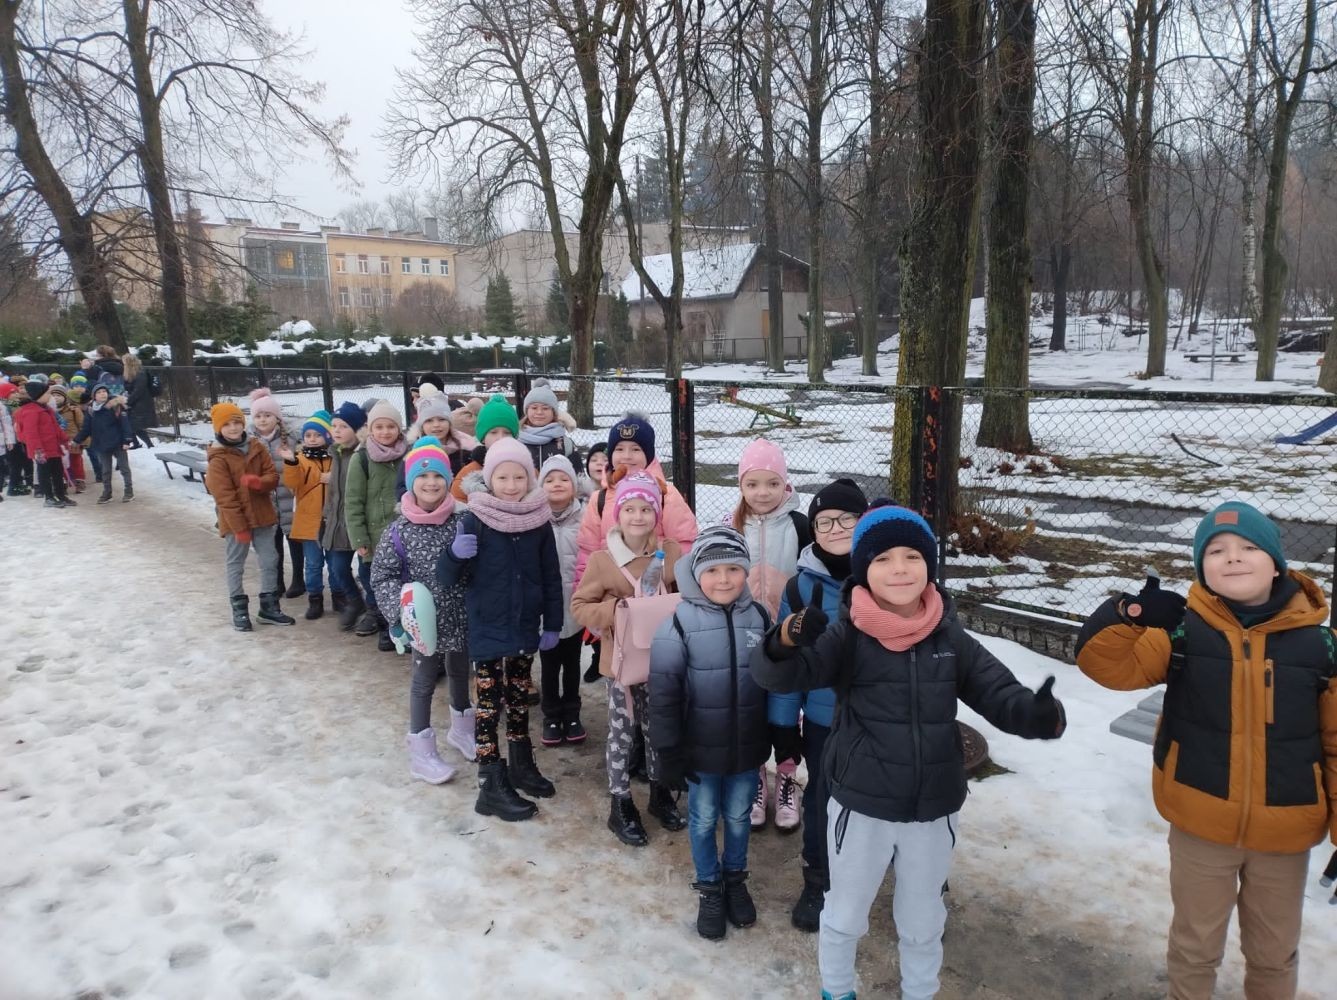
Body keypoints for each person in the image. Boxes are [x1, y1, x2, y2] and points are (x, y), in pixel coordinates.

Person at [751, 502, 1067, 1000]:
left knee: (923, 918)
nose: (899, 569)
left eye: (911, 557)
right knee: (846, 912)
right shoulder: (847, 635)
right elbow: (780, 675)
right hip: (862, 804)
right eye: (882, 560)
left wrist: (1036, 714)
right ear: (863, 571)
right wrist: (784, 640)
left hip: (932, 807)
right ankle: (837, 990)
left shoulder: (949, 636)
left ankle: (920, 992)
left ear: (929, 567)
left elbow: (997, 692)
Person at [1075, 501, 1337, 1000]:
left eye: (1248, 548)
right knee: (1195, 946)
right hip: (1200, 823)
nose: (1232, 558)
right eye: (1216, 550)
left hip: (1285, 830)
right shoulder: (1182, 631)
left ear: (1277, 563)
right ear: (1202, 568)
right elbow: (1106, 667)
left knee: (1274, 952)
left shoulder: (1320, 645)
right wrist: (1127, 614)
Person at [650, 525, 775, 940]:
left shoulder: (759, 617)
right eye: (714, 569)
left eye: (734, 569)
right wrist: (667, 751)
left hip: (746, 747)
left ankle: (735, 879)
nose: (724, 579)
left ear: (746, 572)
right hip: (698, 751)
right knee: (703, 820)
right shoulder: (678, 624)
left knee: (739, 817)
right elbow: (664, 694)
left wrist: (778, 730)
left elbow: (774, 679)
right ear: (696, 573)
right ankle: (709, 887)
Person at [437, 436, 563, 821]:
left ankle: (521, 765)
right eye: (503, 477)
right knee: (490, 707)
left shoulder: (538, 521)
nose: (511, 485)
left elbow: (551, 576)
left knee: (520, 699)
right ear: (490, 479)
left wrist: (553, 622)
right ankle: (490, 782)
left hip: (525, 627)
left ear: (530, 478)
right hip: (488, 630)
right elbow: (446, 578)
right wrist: (453, 555)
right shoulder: (473, 518)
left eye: (519, 477)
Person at [769, 478, 869, 931]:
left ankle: (905, 884)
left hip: (876, 717)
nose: (835, 528)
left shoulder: (884, 576)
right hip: (825, 722)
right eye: (824, 521)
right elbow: (787, 665)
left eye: (846, 519)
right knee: (823, 804)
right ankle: (818, 880)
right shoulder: (798, 588)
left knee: (880, 803)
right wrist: (784, 726)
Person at [571, 472, 686, 847]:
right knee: (622, 733)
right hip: (620, 665)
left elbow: (684, 594)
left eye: (646, 509)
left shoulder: (669, 554)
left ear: (656, 514)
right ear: (617, 515)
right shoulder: (604, 561)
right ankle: (619, 803)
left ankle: (658, 793)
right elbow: (580, 606)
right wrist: (616, 611)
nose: (638, 516)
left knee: (658, 730)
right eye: (630, 509)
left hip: (662, 660)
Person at [371, 436, 474, 784]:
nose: (431, 483)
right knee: (424, 681)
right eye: (422, 477)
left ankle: (462, 730)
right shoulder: (397, 531)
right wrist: (398, 614)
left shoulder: (462, 521)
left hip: (460, 615)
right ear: (411, 482)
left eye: (438, 477)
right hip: (422, 624)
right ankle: (421, 750)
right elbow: (381, 576)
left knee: (461, 672)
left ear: (448, 481)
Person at [730, 438, 810, 832]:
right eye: (753, 484)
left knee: (784, 712)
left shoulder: (799, 525)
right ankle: (758, 777)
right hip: (746, 636)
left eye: (772, 484)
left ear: (786, 485)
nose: (762, 493)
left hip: (788, 638)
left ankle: (788, 777)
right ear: (742, 487)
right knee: (752, 710)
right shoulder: (734, 524)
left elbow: (812, 576)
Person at [574, 412, 699, 585]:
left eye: (635, 449)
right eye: (619, 449)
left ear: (648, 455)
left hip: (657, 590)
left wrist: (675, 582)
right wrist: (584, 588)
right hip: (612, 593)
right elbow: (588, 552)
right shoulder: (600, 499)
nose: (626, 456)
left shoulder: (666, 495)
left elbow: (684, 545)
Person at [204, 402, 296, 631]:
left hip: (263, 515)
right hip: (235, 521)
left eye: (237, 422)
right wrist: (240, 528)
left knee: (269, 559)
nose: (234, 428)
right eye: (227, 424)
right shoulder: (218, 458)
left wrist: (258, 483)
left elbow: (272, 476)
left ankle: (269, 606)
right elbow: (225, 498)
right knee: (236, 563)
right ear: (219, 428)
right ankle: (239, 609)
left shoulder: (255, 446)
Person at [347, 400, 409, 651]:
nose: (385, 432)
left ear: (399, 429)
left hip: (404, 535)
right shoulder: (361, 459)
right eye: (379, 426)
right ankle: (384, 625)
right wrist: (359, 538)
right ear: (370, 429)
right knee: (378, 584)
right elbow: (353, 501)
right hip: (374, 536)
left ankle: (406, 625)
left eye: (391, 426)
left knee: (404, 583)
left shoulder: (409, 453)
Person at [536, 455, 587, 746]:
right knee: (549, 663)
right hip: (547, 609)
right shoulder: (533, 518)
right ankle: (551, 714)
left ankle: (572, 712)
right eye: (550, 479)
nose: (557, 484)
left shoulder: (584, 518)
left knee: (572, 662)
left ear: (574, 485)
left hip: (575, 604)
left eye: (563, 479)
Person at [281, 410, 347, 621]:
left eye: (317, 435)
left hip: (332, 520)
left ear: (327, 436)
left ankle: (339, 597)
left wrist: (333, 477)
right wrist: (290, 463)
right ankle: (315, 599)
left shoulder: (336, 457)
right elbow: (292, 483)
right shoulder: (299, 459)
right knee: (313, 563)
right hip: (309, 520)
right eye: (308, 435)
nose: (312, 439)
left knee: (335, 561)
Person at [247, 389, 302, 597]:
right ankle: (277, 581)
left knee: (295, 542)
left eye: (267, 415)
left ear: (276, 417)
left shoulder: (290, 438)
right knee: (273, 544)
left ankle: (299, 580)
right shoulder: (250, 441)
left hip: (289, 498)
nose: (263, 420)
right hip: (267, 501)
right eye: (258, 416)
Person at [323, 401, 367, 631]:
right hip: (339, 522)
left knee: (366, 570)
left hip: (359, 523)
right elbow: (334, 492)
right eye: (334, 426)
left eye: (343, 426)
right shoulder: (336, 453)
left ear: (357, 429)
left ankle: (373, 609)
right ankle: (354, 600)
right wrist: (327, 515)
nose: (337, 431)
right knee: (338, 568)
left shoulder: (363, 454)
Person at [13, 377, 72, 508]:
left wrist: (64, 439)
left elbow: (55, 427)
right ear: (38, 395)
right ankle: (49, 497)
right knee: (44, 474)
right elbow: (31, 433)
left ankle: (61, 495)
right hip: (42, 451)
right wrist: (38, 450)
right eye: (47, 393)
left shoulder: (45, 409)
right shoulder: (31, 411)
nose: (50, 396)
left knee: (58, 472)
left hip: (53, 448)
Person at [450, 393, 519, 501]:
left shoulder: (526, 470)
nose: (500, 438)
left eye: (507, 432)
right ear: (482, 438)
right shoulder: (467, 475)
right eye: (493, 432)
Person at [73, 384, 134, 504]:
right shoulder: (91, 410)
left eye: (104, 391)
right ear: (94, 396)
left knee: (124, 468)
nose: (102, 394)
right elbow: (86, 428)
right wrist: (77, 440)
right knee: (105, 470)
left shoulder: (116, 406)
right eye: (99, 392)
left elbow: (125, 424)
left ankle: (129, 490)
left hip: (118, 443)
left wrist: (127, 440)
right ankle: (107, 492)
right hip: (101, 444)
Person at [407, 393, 478, 475]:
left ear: (449, 422)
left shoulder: (466, 449)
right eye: (429, 420)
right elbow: (402, 484)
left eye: (441, 419)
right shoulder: (413, 452)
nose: (436, 425)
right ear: (422, 426)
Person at [519, 378, 578, 470]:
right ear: (527, 411)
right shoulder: (516, 442)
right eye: (534, 408)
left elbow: (578, 477)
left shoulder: (566, 444)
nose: (539, 412)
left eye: (545, 408)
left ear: (554, 412)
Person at [49, 385, 86, 494]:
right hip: (57, 442)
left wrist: (83, 441)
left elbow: (81, 425)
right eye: (53, 395)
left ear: (65, 397)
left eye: (59, 395)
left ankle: (79, 482)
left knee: (76, 462)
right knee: (60, 463)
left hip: (73, 441)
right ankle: (63, 482)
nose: (56, 398)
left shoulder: (73, 410)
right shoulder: (48, 411)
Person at [122, 353, 155, 449]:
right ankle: (136, 443)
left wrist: (128, 401)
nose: (123, 365)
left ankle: (149, 444)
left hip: (141, 403)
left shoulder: (140, 373)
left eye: (124, 363)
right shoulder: (131, 374)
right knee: (130, 424)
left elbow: (138, 390)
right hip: (135, 402)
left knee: (134, 425)